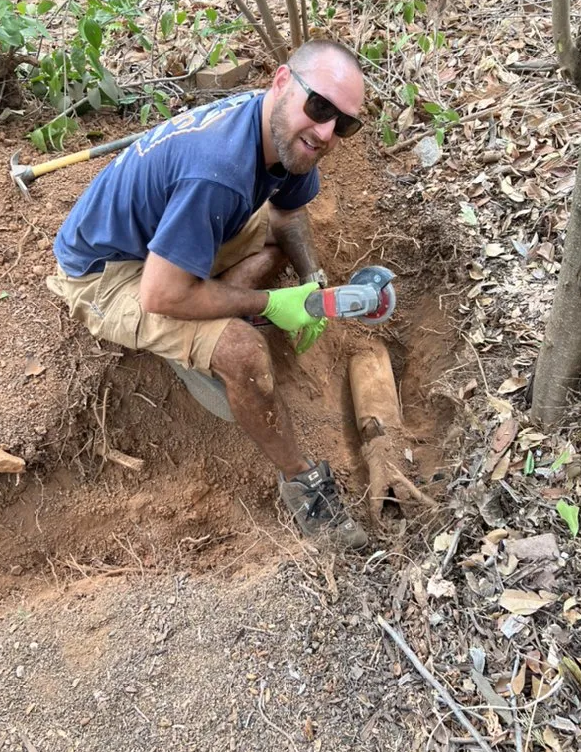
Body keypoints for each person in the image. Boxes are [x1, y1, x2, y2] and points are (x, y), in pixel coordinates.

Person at [47, 39, 368, 548]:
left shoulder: (282, 137)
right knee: (242, 352)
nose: (327, 132)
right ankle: (301, 483)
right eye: (320, 107)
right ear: (282, 82)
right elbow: (160, 296)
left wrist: (312, 280)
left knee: (277, 245)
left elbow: (287, 214)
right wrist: (270, 304)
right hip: (109, 273)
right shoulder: (219, 171)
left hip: (163, 240)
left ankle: (206, 307)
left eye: (344, 124)